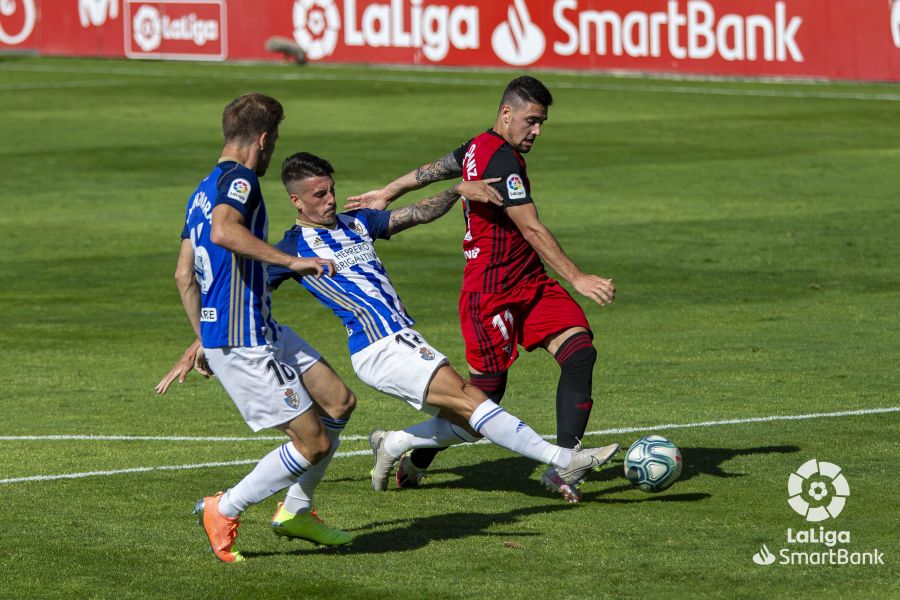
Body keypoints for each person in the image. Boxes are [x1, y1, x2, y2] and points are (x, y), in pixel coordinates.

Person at [268, 151, 619, 503]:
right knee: (475, 403)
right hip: (380, 346)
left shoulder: (355, 223)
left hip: (401, 339)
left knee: (469, 425)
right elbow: (241, 286)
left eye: (331, 190)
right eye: (319, 196)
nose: (330, 200)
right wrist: (210, 339)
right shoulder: (289, 250)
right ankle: (565, 460)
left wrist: (456, 192)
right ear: (296, 201)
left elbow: (416, 215)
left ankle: (393, 442)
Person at [345, 76, 616, 502]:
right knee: (479, 405)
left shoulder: (481, 145)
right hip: (490, 292)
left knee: (580, 352)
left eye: (542, 123)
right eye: (531, 121)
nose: (537, 131)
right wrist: (577, 277)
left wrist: (390, 190)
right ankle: (400, 446)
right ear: (506, 114)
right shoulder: (501, 159)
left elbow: (440, 166)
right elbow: (530, 226)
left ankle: (566, 465)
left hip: (528, 280)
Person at [155, 94, 356, 563]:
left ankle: (297, 511)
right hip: (245, 341)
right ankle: (223, 508)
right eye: (275, 141)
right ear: (263, 140)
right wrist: (294, 260)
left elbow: (183, 275)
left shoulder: (201, 190)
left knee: (339, 402)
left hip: (259, 328)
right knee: (313, 442)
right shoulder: (240, 180)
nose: (272, 151)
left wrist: (203, 336)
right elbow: (225, 232)